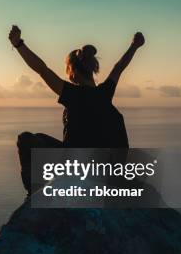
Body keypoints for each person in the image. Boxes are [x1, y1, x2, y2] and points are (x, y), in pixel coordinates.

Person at [9, 25, 146, 194]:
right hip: (108, 171)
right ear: (93, 69)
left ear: (72, 72)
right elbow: (119, 67)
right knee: (41, 139)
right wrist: (134, 45)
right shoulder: (104, 92)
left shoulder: (72, 94)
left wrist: (18, 44)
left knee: (27, 139)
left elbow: (41, 69)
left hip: (80, 170)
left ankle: (35, 194)